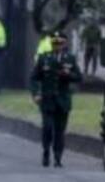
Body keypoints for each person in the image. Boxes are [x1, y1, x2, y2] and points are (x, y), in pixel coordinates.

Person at [30, 31, 82, 168]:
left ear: (64, 44)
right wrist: (36, 93)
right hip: (47, 100)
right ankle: (46, 150)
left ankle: (58, 157)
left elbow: (78, 77)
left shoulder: (70, 58)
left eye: (59, 43)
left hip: (63, 100)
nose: (57, 46)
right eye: (54, 43)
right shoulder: (44, 58)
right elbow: (34, 78)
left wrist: (68, 74)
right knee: (47, 127)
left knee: (60, 131)